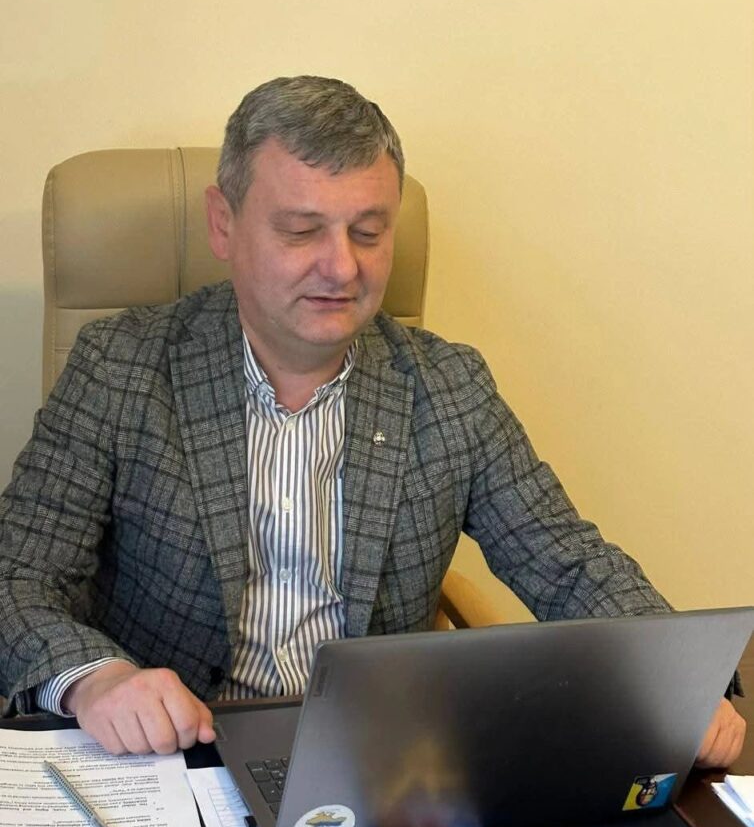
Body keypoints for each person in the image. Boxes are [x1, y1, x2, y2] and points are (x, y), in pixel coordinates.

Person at [0, 76, 744, 766]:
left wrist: (680, 677)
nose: (342, 268)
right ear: (223, 225)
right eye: (302, 230)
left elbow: (567, 562)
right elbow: (18, 575)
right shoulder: (121, 366)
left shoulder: (448, 386)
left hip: (368, 763)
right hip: (168, 757)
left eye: (367, 232)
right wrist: (96, 679)